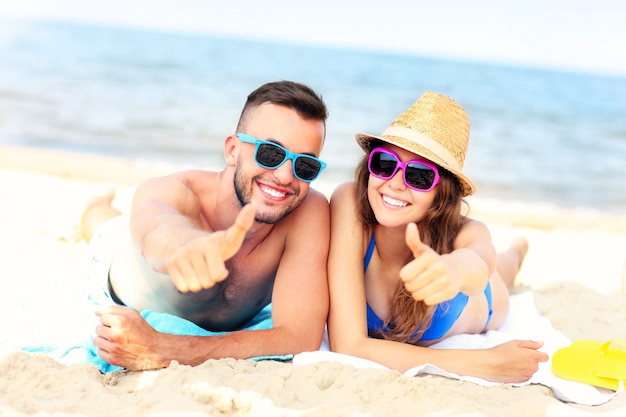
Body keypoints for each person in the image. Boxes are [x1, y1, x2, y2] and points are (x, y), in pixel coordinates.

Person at [80, 80, 330, 371]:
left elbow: (299, 336)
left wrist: (168, 348)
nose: (286, 176)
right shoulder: (174, 191)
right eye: (271, 154)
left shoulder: (308, 210)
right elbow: (157, 227)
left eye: (305, 166)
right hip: (114, 254)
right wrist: (187, 246)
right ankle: (96, 204)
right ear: (232, 150)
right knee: (103, 222)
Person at [326, 91, 549, 383]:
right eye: (384, 162)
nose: (394, 183)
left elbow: (479, 263)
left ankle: (518, 250)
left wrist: (452, 271)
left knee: (503, 268)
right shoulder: (349, 202)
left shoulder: (467, 231)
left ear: (442, 192)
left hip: (485, 298)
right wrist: (482, 362)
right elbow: (349, 345)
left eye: (418, 175)